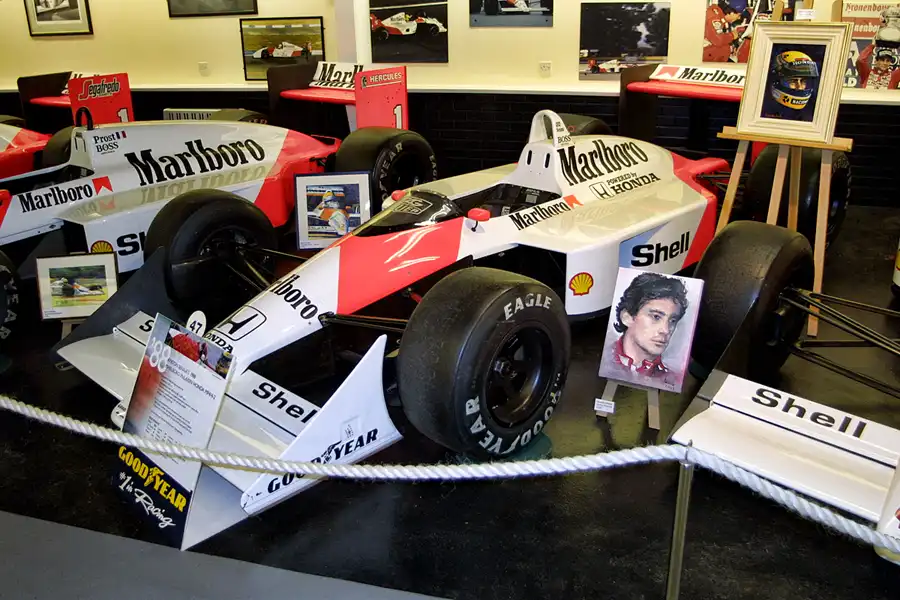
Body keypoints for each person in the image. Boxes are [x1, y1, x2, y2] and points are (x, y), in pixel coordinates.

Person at [607, 272, 688, 387]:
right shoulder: (604, 361)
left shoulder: (673, 380)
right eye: (656, 317)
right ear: (627, 317)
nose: (665, 330)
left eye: (672, 321)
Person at [761, 50, 819, 121]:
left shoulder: (811, 113)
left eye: (803, 81)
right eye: (792, 81)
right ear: (776, 80)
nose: (799, 87)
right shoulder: (764, 108)